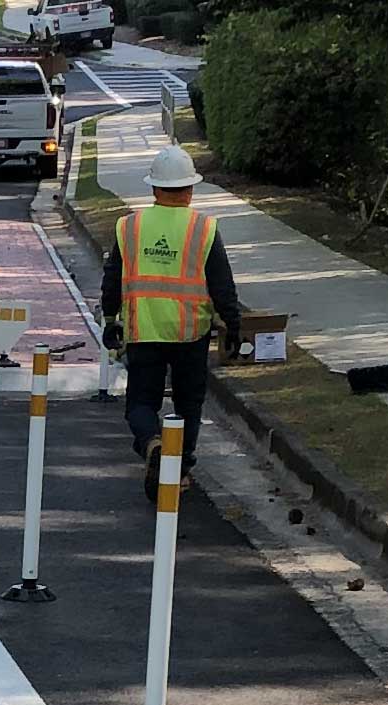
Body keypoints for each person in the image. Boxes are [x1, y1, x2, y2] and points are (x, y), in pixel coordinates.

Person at [100, 145, 242, 501]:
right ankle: (178, 470)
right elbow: (222, 285)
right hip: (190, 332)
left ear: (154, 188)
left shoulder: (129, 227)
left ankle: (152, 443)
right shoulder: (204, 228)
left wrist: (109, 319)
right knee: (188, 404)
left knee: (140, 403)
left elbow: (112, 278)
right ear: (190, 189)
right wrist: (234, 325)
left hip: (143, 330)